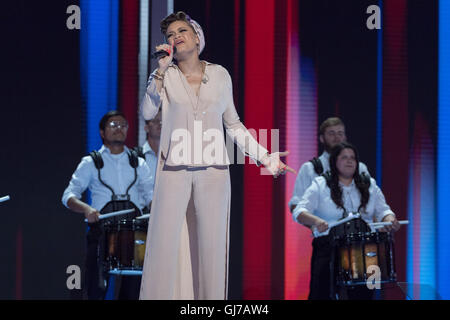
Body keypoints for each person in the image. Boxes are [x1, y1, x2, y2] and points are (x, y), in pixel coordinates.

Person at [139, 11, 294, 300]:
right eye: (170, 35)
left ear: (197, 38)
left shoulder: (221, 74)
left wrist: (265, 157)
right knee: (164, 243)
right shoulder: (166, 75)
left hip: (214, 171)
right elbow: (148, 112)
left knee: (211, 244)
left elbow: (233, 124)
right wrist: (159, 72)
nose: (176, 37)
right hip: (174, 170)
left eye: (181, 31)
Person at [62, 110, 153, 300]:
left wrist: (156, 211)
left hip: (133, 232)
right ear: (102, 132)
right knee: (95, 289)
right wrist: (86, 209)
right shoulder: (90, 162)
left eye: (123, 125)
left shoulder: (139, 163)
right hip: (102, 232)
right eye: (113, 125)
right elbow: (68, 196)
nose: (118, 128)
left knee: (133, 292)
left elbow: (151, 196)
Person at [293, 142, 401, 300]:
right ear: (334, 162)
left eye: (352, 158)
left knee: (363, 296)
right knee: (322, 295)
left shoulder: (369, 184)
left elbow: (384, 211)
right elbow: (299, 211)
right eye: (344, 157)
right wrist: (316, 221)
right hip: (328, 249)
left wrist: (389, 220)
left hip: (363, 252)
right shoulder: (321, 184)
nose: (349, 161)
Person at [288, 117, 370, 215]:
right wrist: (315, 224)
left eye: (340, 133)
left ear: (345, 137)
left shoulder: (360, 168)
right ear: (322, 138)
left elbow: (372, 202)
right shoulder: (309, 169)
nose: (337, 137)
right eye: (331, 133)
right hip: (325, 228)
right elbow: (296, 205)